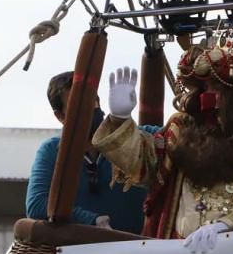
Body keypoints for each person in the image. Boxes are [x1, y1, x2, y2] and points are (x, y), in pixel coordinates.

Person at [91, 46, 233, 252]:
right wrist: (120, 119)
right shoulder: (181, 129)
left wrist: (230, 225)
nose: (208, 96)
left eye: (217, 87)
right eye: (204, 88)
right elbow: (144, 166)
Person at [24, 71, 147, 233]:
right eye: (79, 105)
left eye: (94, 101)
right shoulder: (52, 151)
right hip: (78, 252)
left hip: (136, 250)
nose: (91, 109)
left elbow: (172, 138)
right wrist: (91, 221)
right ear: (60, 116)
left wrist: (122, 123)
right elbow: (37, 204)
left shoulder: (131, 139)